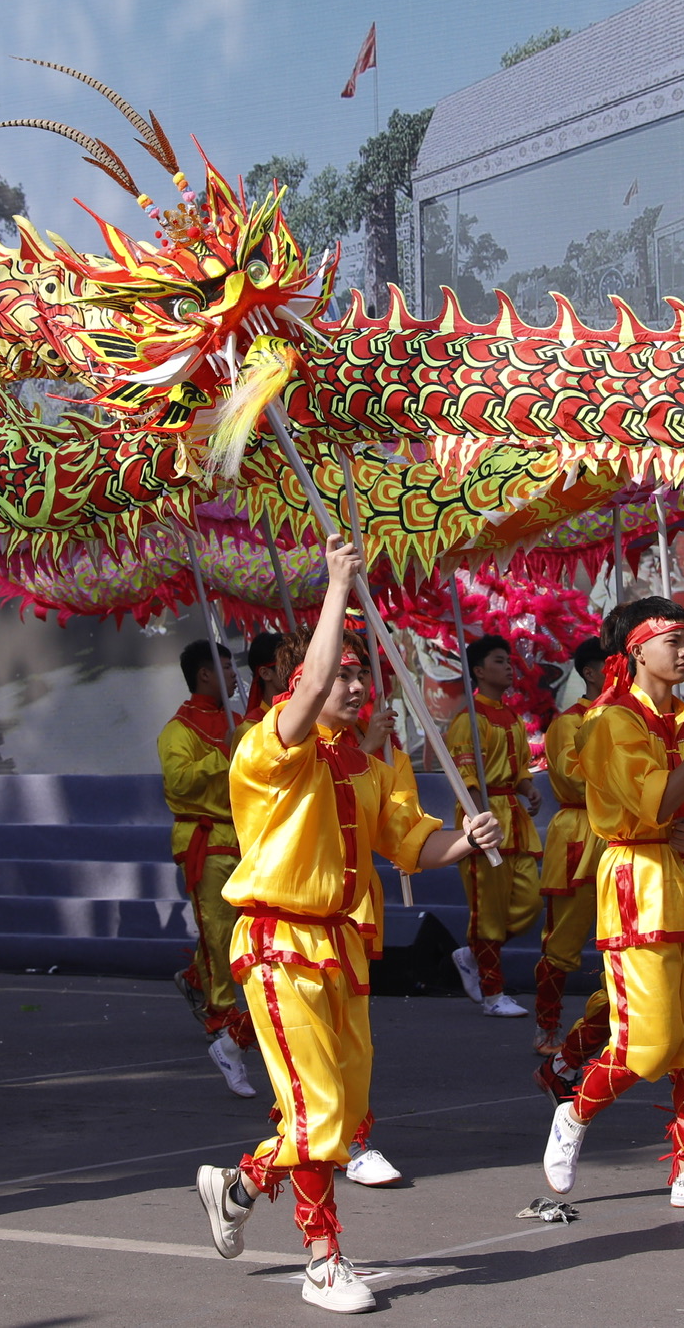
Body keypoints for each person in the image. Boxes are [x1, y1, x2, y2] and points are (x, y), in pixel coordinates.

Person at [193, 536, 501, 1315]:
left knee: (341, 1109)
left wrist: (464, 839)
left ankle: (239, 1183)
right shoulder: (269, 750)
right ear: (300, 686)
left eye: (366, 673)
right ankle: (322, 1259)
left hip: (341, 947)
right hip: (277, 943)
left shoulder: (366, 768)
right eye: (345, 672)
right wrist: (337, 586)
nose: (357, 682)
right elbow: (312, 683)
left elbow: (412, 842)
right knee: (318, 1111)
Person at [539, 596, 684, 1213]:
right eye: (673, 642)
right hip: (640, 881)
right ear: (635, 650)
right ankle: (574, 1114)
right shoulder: (609, 722)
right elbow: (656, 804)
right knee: (649, 1043)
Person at [160, 638, 260, 1100]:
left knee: (240, 929)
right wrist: (226, 752)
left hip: (242, 836)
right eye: (225, 668)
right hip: (207, 839)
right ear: (204, 674)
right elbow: (179, 781)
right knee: (219, 931)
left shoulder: (240, 721)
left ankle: (200, 979)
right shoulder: (176, 730)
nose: (234, 675)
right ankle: (220, 1014)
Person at [447, 635, 540, 1021]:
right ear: (480, 671)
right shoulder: (469, 718)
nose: (509, 667)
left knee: (528, 902)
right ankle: (492, 992)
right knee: (487, 909)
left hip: (512, 818)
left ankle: (472, 953)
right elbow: (464, 772)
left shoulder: (512, 717)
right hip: (482, 819)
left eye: (509, 661)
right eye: (500, 661)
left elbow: (518, 769)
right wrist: (477, 815)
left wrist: (528, 789)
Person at [532, 637, 607, 1054]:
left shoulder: (629, 717)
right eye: (612, 666)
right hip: (581, 830)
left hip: (621, 834)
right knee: (563, 941)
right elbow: (572, 776)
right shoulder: (569, 722)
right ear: (592, 672)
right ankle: (548, 1025)